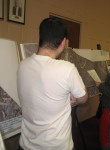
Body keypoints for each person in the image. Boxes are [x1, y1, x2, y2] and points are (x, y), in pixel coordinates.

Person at [17, 17, 88, 150]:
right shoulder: (66, 68)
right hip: (55, 146)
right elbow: (83, 98)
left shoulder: (22, 65)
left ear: (39, 37)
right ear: (64, 42)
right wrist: (74, 99)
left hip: (26, 144)